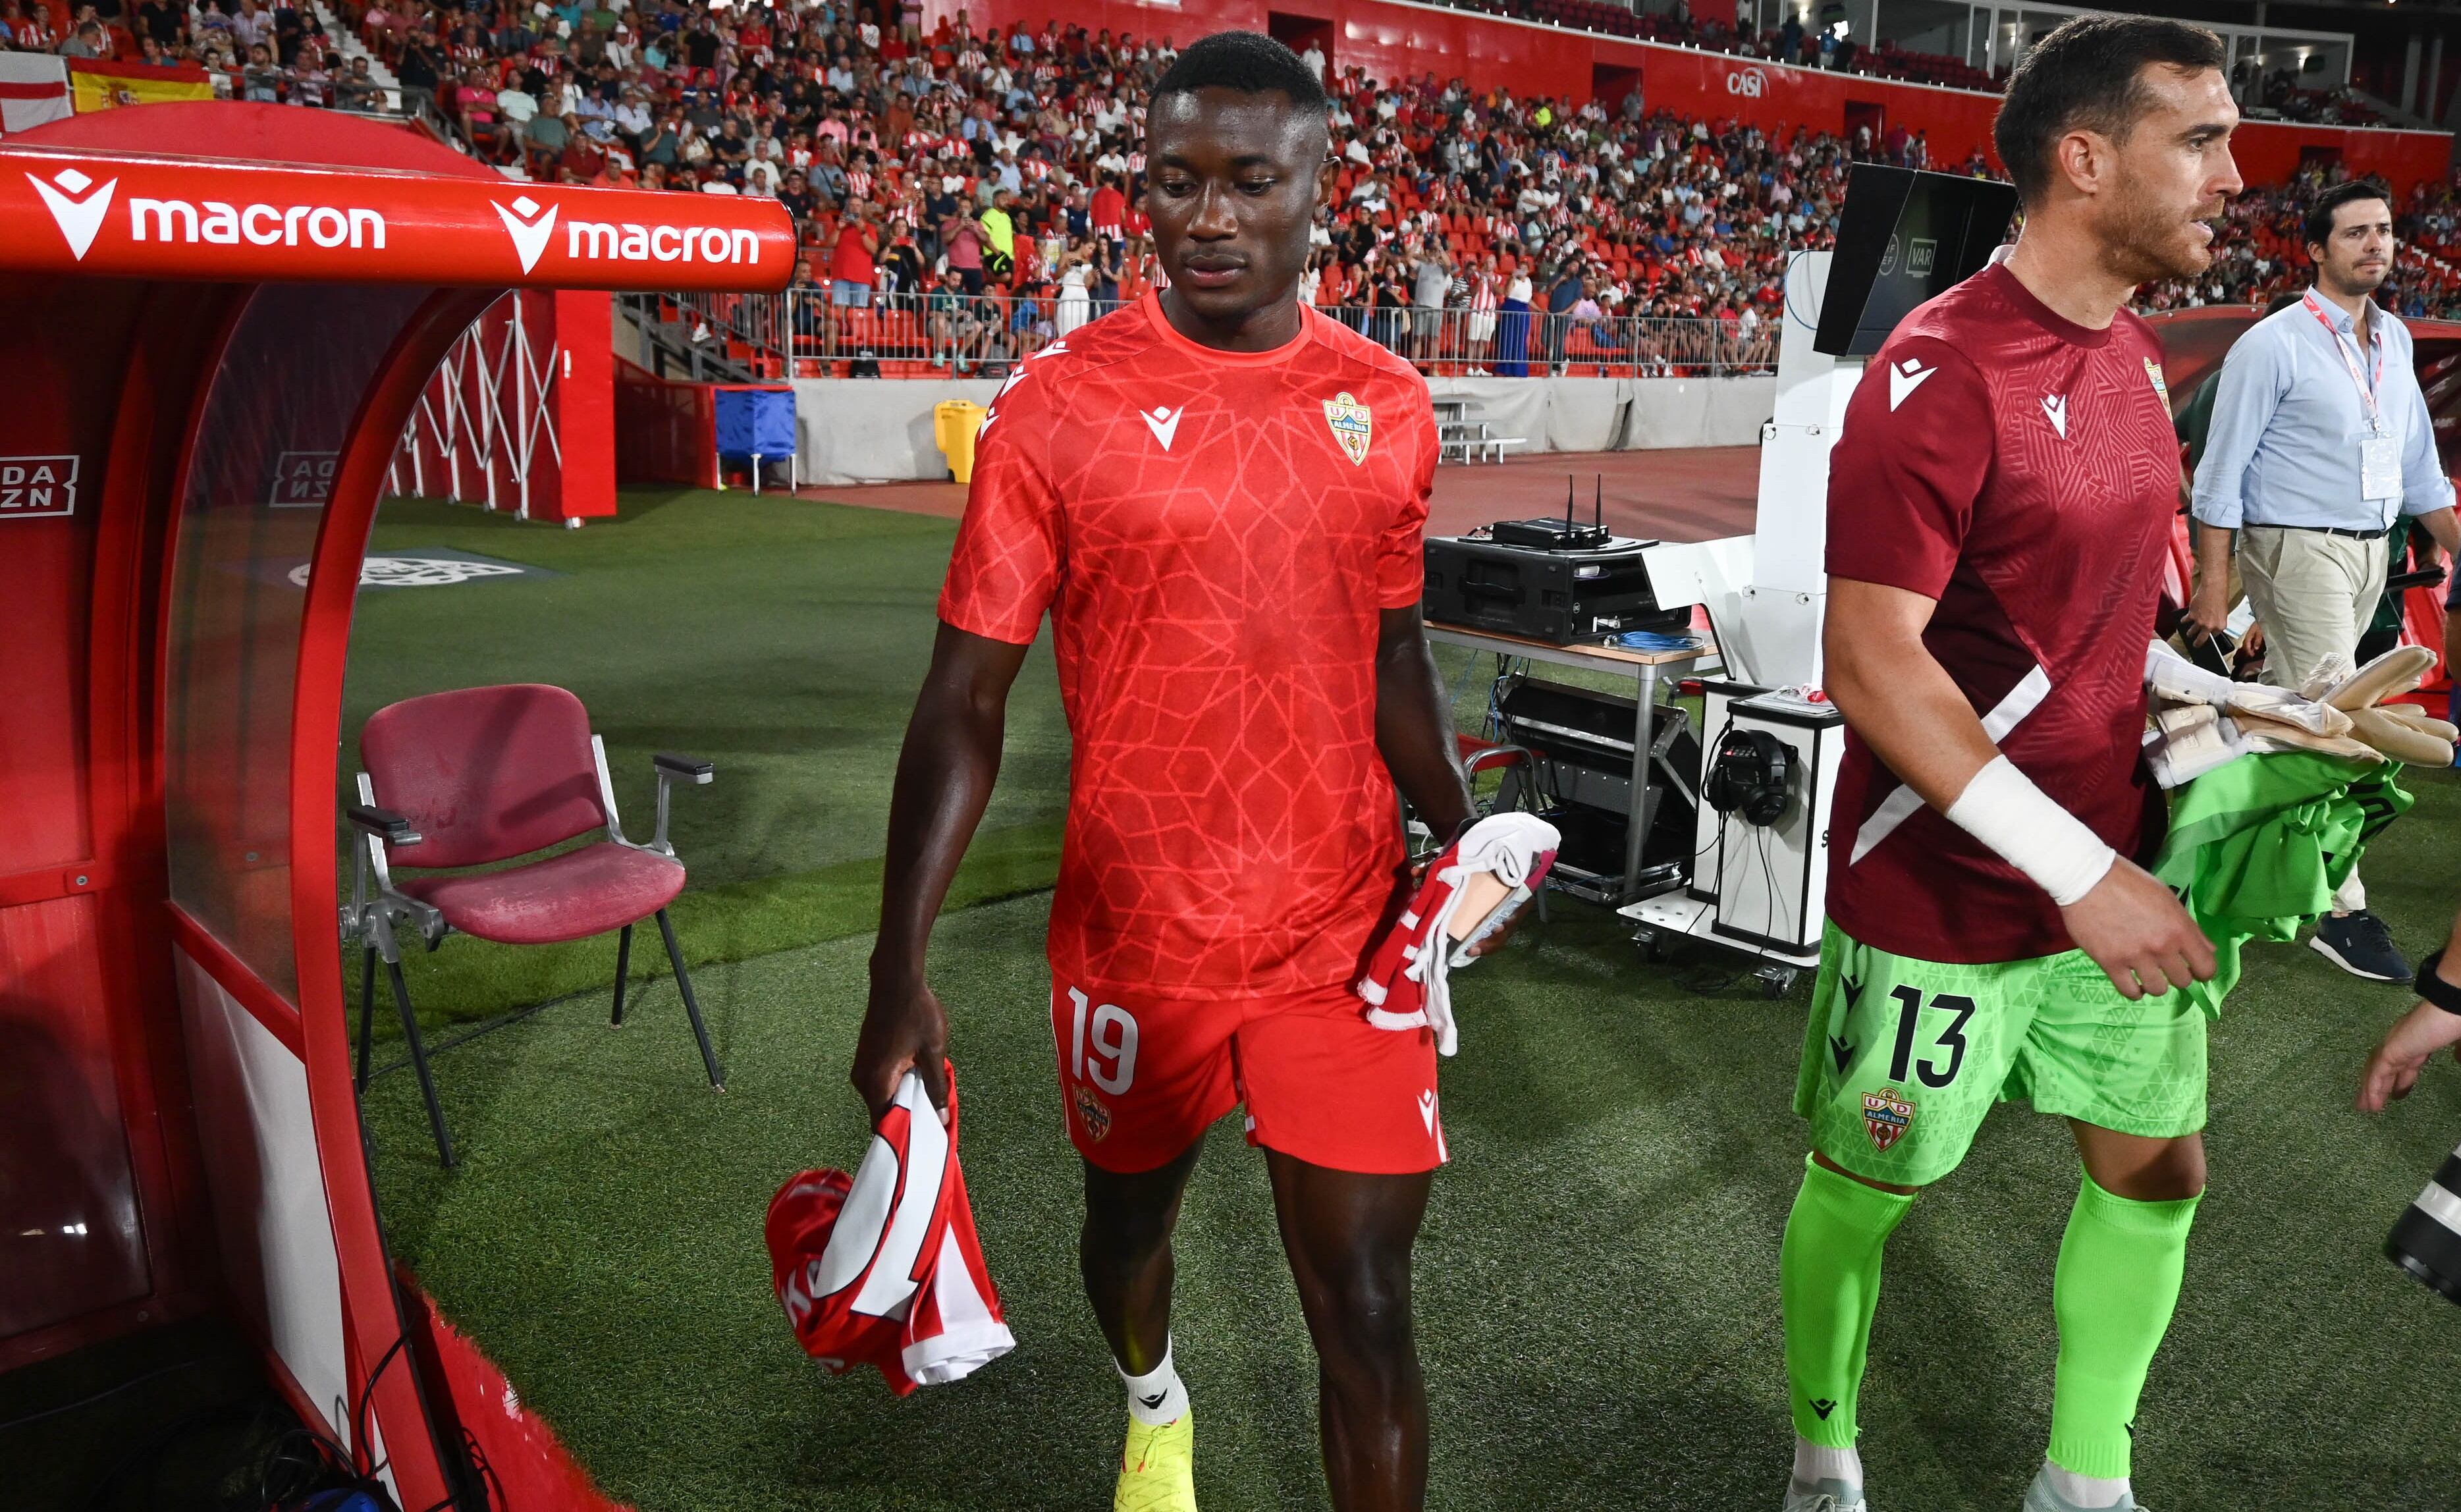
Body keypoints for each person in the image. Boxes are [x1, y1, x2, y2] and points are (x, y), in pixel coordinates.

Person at [849, 30, 1489, 1512]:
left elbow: (1392, 653)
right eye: (1174, 181)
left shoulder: (1384, 403)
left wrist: (1461, 832)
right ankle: (1152, 1394)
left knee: (1369, 1305)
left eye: (1248, 181)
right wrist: (897, 967)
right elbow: (962, 698)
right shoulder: (1055, 405)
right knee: (1123, 1237)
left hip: (1342, 933)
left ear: (1318, 189)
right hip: (1135, 934)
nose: (1208, 215)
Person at [1781, 18, 2238, 1512]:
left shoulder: (2132, 356)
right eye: (2200, 140)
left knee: (2153, 1176)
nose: (2230, 176)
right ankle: (1820, 1451)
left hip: (2103, 871)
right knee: (1866, 1193)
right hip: (1939, 896)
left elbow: (2095, 621)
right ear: (2083, 157)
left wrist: (2239, 702)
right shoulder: (1935, 373)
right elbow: (1868, 662)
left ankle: (2081, 1481)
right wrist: (2079, 877)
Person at [2184, 178, 2461, 983]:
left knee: (2291, 711)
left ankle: (2212, 834)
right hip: (2297, 548)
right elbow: (2218, 473)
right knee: (2338, 720)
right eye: (2353, 234)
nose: (2374, 245)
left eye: (2382, 231)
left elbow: (2415, 470)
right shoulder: (2271, 344)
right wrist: (2212, 585)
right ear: (2313, 249)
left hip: (2373, 549)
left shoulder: (2397, 341)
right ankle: (2337, 910)